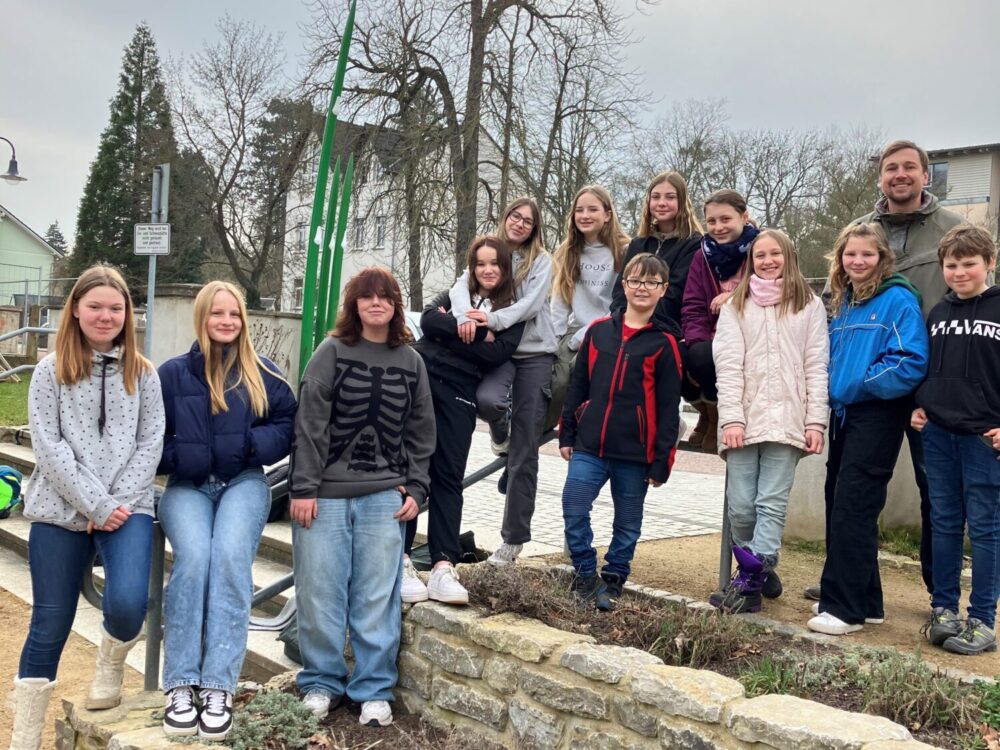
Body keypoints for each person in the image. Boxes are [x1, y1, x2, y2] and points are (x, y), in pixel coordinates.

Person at [803, 140, 966, 602]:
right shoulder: (861, 231)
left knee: (936, 489)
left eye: (909, 167)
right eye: (891, 168)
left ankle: (942, 593)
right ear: (880, 177)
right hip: (870, 386)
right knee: (849, 485)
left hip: (932, 377)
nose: (900, 174)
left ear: (925, 175)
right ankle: (848, 579)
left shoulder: (950, 229)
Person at [10, 265, 164, 750]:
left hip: (128, 509)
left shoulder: (144, 374)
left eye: (116, 308)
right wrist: (94, 503)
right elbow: (49, 446)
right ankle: (25, 737)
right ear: (75, 309)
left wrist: (115, 504)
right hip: (61, 508)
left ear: (128, 315)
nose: (106, 316)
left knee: (127, 606)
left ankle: (109, 665)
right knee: (49, 623)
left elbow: (150, 441)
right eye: (95, 306)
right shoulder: (48, 371)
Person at [290, 267, 435, 727]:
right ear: (354, 304)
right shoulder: (331, 353)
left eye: (385, 297)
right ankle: (320, 682)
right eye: (367, 297)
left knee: (377, 595)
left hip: (382, 496)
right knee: (320, 593)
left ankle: (374, 688)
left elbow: (421, 430)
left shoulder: (411, 362)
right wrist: (304, 487)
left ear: (395, 306)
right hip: (325, 496)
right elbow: (310, 424)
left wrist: (417, 486)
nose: (376, 304)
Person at [157, 281, 297, 740]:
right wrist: (182, 457)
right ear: (202, 317)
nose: (226, 321)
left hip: (243, 483)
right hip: (187, 487)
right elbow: (149, 437)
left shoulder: (262, 372)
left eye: (234, 314)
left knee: (231, 560)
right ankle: (181, 684)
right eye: (217, 313)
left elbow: (288, 423)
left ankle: (218, 687)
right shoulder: (172, 374)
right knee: (195, 560)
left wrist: (251, 446)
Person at [807, 224, 928, 636]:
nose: (857, 261)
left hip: (876, 413)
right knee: (838, 500)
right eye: (850, 254)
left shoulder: (897, 299)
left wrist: (862, 384)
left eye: (867, 255)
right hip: (844, 415)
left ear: (882, 258)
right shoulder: (845, 303)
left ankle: (845, 610)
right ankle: (868, 601)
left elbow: (910, 360)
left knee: (853, 505)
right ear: (839, 259)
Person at [708, 230, 829, 614]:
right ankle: (761, 566)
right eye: (760, 254)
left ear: (788, 256)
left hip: (789, 419)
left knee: (770, 503)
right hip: (743, 419)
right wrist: (730, 419)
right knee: (741, 505)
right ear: (751, 261)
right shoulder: (736, 306)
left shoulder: (808, 305)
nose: (768, 260)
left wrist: (815, 422)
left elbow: (816, 366)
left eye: (775, 253)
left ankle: (748, 589)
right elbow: (727, 367)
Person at [401, 236, 525, 605]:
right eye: (480, 263)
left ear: (504, 269)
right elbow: (427, 321)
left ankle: (442, 564)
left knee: (448, 476)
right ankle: (401, 559)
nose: (487, 270)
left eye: (494, 264)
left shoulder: (513, 310)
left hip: (459, 391)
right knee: (410, 470)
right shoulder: (454, 294)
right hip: (421, 381)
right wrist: (469, 330)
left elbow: (496, 353)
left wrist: (451, 329)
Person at [559, 253, 682, 609]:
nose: (642, 287)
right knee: (574, 507)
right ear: (623, 284)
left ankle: (613, 580)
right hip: (589, 446)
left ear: (663, 291)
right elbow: (577, 385)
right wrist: (567, 433)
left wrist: (663, 461)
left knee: (627, 524)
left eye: (652, 282)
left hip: (635, 455)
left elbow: (668, 408)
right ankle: (584, 574)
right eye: (635, 280)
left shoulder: (664, 343)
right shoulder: (598, 332)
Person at [450, 198, 557, 565]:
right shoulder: (489, 253)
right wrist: (467, 316)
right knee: (488, 401)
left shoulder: (541, 261)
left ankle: (512, 541)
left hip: (532, 355)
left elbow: (529, 307)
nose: (521, 224)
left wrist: (491, 322)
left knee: (524, 452)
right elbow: (457, 288)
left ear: (535, 227)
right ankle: (501, 437)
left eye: (529, 220)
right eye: (516, 216)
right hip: (498, 354)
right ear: (505, 218)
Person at [912, 225, 1000, 655]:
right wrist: (922, 403)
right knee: (944, 524)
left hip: (985, 439)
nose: (960, 272)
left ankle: (983, 619)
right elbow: (932, 370)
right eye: (952, 265)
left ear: (989, 263)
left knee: (985, 529)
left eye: (969, 264)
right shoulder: (938, 313)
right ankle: (943, 610)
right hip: (939, 435)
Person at [610, 172, 705, 444]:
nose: (662, 202)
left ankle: (666, 426)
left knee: (656, 360)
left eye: (670, 197)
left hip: (667, 326)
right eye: (656, 196)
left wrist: (643, 317)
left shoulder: (693, 244)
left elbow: (675, 292)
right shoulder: (639, 244)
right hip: (630, 322)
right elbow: (621, 289)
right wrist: (622, 317)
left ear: (682, 201)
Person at [681, 190, 760, 454]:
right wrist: (696, 344)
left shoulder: (761, 249)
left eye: (726, 219)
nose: (718, 227)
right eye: (712, 221)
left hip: (751, 334)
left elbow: (777, 287)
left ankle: (716, 419)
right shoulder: (702, 255)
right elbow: (692, 304)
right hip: (712, 332)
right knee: (685, 356)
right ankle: (707, 412)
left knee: (720, 358)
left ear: (744, 216)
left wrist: (737, 295)